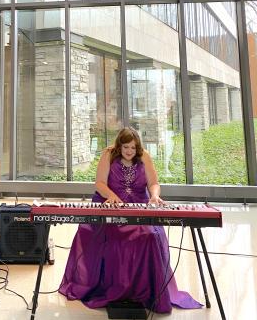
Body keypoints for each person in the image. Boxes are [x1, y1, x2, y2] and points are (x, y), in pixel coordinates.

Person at [59, 126, 202, 314]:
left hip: (139, 205)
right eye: (126, 147)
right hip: (112, 204)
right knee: (112, 235)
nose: (129, 151)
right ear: (119, 146)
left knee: (151, 235)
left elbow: (153, 183)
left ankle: (146, 292)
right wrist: (110, 196)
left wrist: (154, 196)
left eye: (133, 148)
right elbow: (100, 183)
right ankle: (115, 289)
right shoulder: (109, 154)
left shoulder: (144, 157)